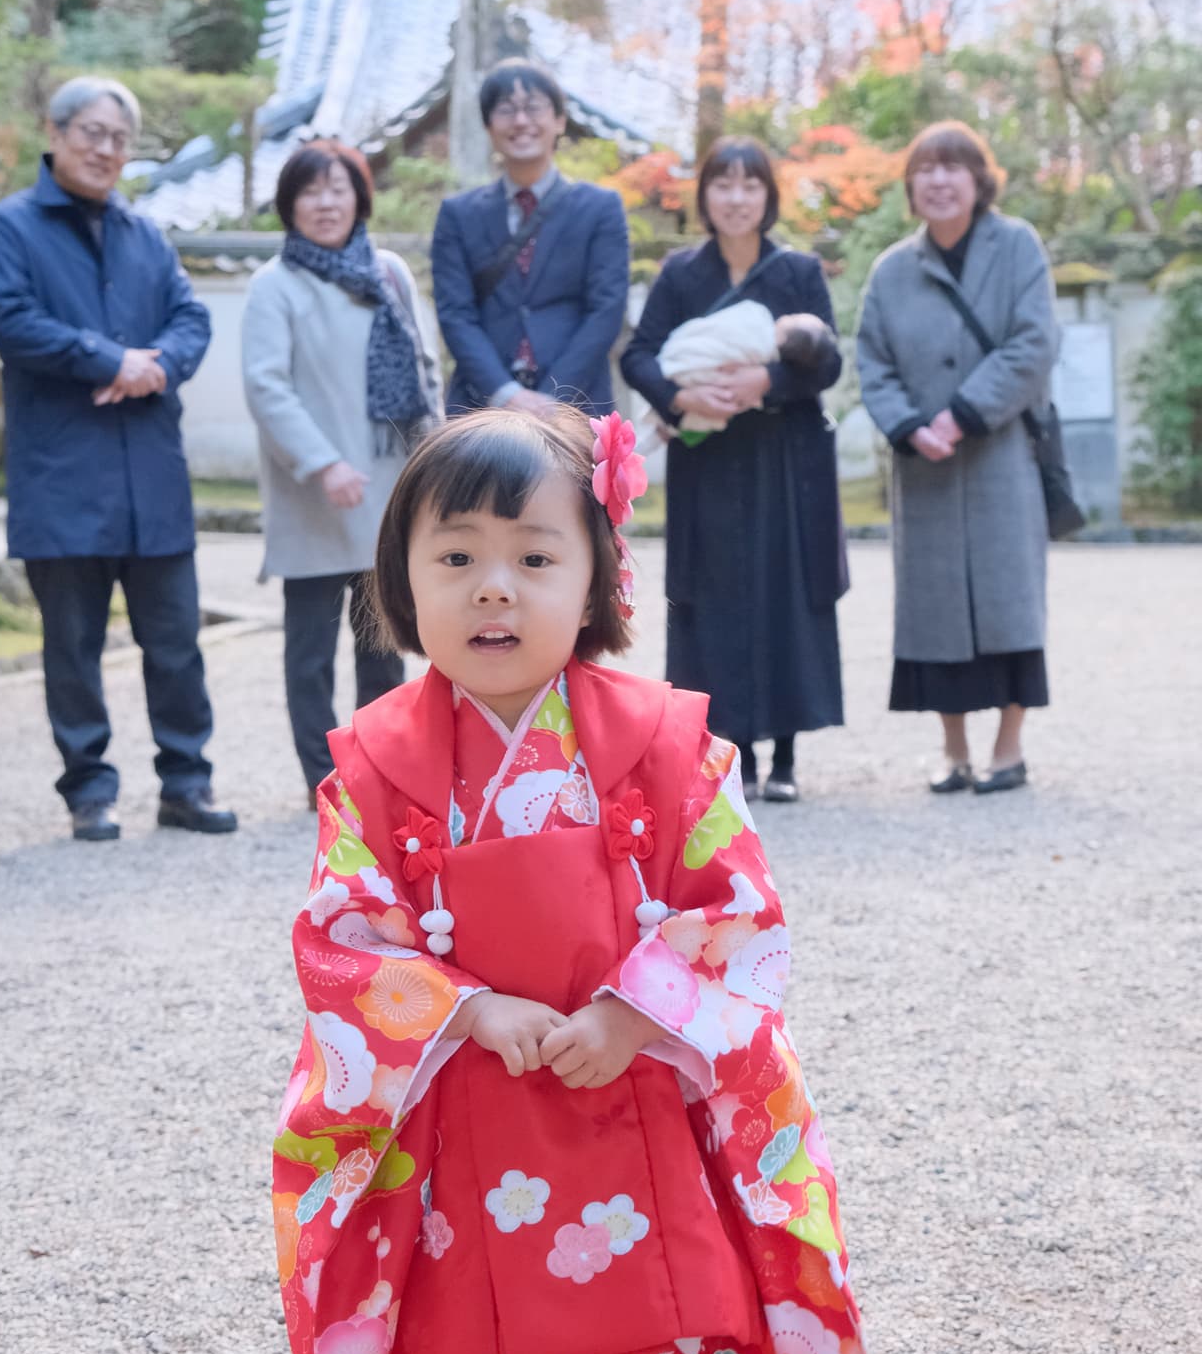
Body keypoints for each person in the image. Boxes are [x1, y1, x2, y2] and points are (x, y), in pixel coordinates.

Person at [272, 408, 871, 1354]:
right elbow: (346, 939)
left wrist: (635, 1015)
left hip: (646, 1100)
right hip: (470, 1112)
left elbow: (737, 913)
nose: (493, 586)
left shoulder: (669, 746)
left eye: (535, 556)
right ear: (401, 581)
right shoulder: (372, 770)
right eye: (455, 555)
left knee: (678, 1348)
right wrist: (464, 1009)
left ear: (596, 579)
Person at [0, 75, 236, 841]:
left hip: (150, 470)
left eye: (119, 138)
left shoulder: (144, 233)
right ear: (53, 134)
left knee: (177, 643)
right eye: (91, 132)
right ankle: (88, 789)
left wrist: (158, 365)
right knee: (74, 648)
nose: (106, 150)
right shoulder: (9, 228)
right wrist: (107, 358)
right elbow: (11, 319)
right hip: (62, 475)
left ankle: (186, 782)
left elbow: (190, 315)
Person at [621, 137, 848, 803]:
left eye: (751, 185)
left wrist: (766, 382)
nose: (737, 197)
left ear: (769, 196)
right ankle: (730, 753)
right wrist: (679, 397)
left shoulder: (798, 272)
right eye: (723, 184)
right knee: (715, 598)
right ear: (705, 196)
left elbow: (827, 362)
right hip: (709, 460)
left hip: (784, 460)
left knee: (785, 591)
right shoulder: (681, 274)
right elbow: (639, 354)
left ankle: (785, 753)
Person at [855, 121, 1057, 794]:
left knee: (1012, 602)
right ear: (911, 185)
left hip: (1001, 458)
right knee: (934, 611)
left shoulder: (1018, 246)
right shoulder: (890, 271)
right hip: (926, 468)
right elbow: (873, 363)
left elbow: (1033, 344)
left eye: (954, 167)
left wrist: (964, 413)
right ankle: (953, 749)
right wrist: (910, 425)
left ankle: (1008, 746)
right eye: (926, 168)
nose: (940, 180)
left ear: (979, 179)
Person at [243, 141, 441, 807]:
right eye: (310, 191)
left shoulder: (388, 272)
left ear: (360, 195)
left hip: (388, 490)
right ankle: (319, 779)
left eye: (339, 188)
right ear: (289, 204)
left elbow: (423, 370)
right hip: (314, 497)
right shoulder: (274, 285)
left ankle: (376, 773)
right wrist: (323, 461)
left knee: (382, 645)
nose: (326, 203)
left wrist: (435, 458)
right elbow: (266, 386)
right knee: (308, 651)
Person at [430, 58, 629, 418]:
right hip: (483, 403)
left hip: (576, 401)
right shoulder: (458, 215)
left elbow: (606, 309)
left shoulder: (600, 208)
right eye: (506, 109)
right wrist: (507, 394)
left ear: (559, 120)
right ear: (489, 126)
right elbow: (455, 314)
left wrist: (553, 397)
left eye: (534, 107)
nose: (521, 121)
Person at [653, 302, 837, 437]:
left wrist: (767, 377)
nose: (790, 315)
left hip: (683, 362)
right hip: (691, 378)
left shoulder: (758, 321)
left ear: (784, 337)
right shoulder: (761, 343)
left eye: (795, 318)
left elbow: (832, 367)